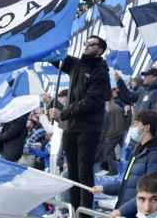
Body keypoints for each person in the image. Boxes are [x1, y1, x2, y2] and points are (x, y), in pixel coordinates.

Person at [47, 35, 111, 211]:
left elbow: (92, 101)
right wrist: (45, 41)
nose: (86, 46)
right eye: (86, 43)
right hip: (71, 128)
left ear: (100, 50)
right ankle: (74, 210)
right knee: (72, 173)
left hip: (88, 129)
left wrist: (64, 113)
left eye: (91, 44)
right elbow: (56, 58)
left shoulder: (101, 73)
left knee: (84, 172)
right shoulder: (76, 64)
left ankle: (86, 213)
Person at [93, 109, 157, 218]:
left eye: (136, 124)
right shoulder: (138, 152)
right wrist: (104, 188)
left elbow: (151, 193)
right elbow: (128, 184)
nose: (133, 128)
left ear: (147, 128)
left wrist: (122, 211)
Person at [103, 91, 126, 175]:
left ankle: (113, 170)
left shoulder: (107, 109)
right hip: (121, 132)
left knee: (105, 152)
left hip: (112, 134)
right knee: (122, 152)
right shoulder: (117, 106)